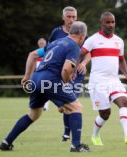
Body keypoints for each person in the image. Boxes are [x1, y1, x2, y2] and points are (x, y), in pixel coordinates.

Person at [0, 21, 91, 152]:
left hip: (36, 79)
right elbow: (66, 70)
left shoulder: (54, 43)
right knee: (76, 107)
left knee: (33, 114)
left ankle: (6, 142)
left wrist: (26, 76)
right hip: (49, 80)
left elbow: (32, 54)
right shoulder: (74, 46)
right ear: (82, 36)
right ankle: (76, 146)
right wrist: (65, 84)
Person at [77, 11, 127, 146]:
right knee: (105, 114)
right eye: (107, 22)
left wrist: (125, 73)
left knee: (124, 102)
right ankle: (95, 135)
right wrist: (74, 69)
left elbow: (121, 59)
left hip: (114, 80)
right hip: (98, 82)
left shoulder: (119, 41)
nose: (110, 24)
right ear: (101, 23)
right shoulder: (93, 40)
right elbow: (79, 55)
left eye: (112, 22)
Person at [49, 6, 90, 141]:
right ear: (63, 17)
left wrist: (83, 64)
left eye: (74, 17)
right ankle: (68, 132)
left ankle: (67, 133)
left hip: (76, 74)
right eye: (69, 17)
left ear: (76, 17)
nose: (71, 19)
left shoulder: (81, 31)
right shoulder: (56, 32)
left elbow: (89, 51)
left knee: (70, 101)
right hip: (61, 73)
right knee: (66, 104)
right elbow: (50, 50)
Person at [36, 38, 50, 111]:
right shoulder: (36, 53)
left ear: (46, 43)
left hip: (46, 74)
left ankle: (45, 106)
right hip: (38, 74)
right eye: (40, 42)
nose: (41, 43)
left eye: (43, 42)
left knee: (45, 90)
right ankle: (39, 105)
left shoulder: (49, 52)